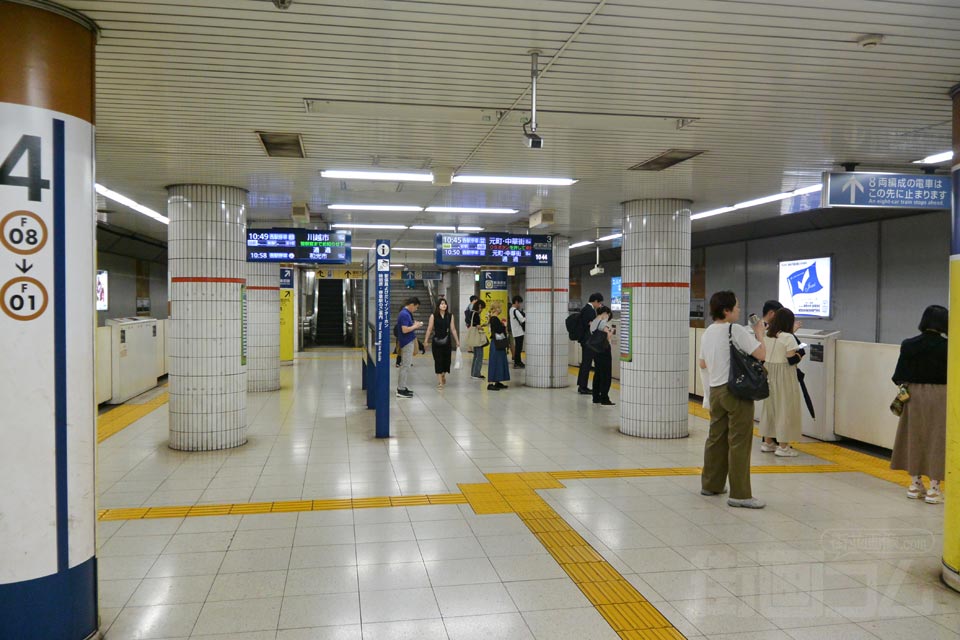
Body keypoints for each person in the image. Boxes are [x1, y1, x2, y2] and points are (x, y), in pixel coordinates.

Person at [699, 290, 767, 509]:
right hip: (735, 393)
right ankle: (740, 494)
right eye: (736, 307)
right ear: (726, 311)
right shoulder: (734, 329)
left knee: (716, 439)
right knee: (739, 442)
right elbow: (761, 355)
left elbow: (702, 363)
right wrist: (760, 334)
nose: (739, 310)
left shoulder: (708, 332)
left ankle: (711, 484)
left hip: (716, 391)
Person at [890, 305, 948, 504]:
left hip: (914, 395)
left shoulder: (909, 344)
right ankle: (934, 488)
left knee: (913, 437)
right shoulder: (949, 346)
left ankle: (915, 485)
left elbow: (898, 376)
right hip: (942, 395)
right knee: (937, 439)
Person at [759, 308, 803, 457]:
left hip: (769, 372)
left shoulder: (767, 334)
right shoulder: (788, 337)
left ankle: (768, 442)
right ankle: (783, 447)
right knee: (784, 407)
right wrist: (801, 353)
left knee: (770, 408)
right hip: (783, 374)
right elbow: (792, 360)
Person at [424, 298, 460, 389]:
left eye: (445, 304)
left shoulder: (450, 316)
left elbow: (453, 329)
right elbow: (429, 328)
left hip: (447, 342)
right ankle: (440, 382)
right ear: (438, 306)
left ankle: (443, 374)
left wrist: (457, 341)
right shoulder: (433, 316)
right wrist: (426, 340)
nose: (444, 305)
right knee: (438, 361)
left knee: (446, 361)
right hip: (436, 342)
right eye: (442, 304)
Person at [396, 297, 424, 398]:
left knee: (406, 365)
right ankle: (400, 389)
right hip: (406, 342)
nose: (416, 309)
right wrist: (415, 326)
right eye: (416, 307)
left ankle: (402, 387)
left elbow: (407, 326)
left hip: (408, 341)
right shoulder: (404, 314)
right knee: (405, 366)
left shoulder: (405, 313)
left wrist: (414, 324)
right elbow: (404, 330)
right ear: (412, 304)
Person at [577, 293, 604, 394]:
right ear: (596, 301)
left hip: (586, 341)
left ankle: (581, 385)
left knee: (585, 363)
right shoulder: (589, 310)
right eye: (600, 303)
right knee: (586, 364)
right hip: (588, 341)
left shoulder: (586, 309)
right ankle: (583, 387)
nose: (600, 305)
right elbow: (591, 324)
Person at [588, 305, 615, 406]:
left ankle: (596, 397)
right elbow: (607, 336)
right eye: (608, 315)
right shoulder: (602, 322)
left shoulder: (594, 322)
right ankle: (604, 398)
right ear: (605, 313)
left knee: (598, 373)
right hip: (604, 350)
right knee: (606, 374)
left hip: (595, 350)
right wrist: (611, 331)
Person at [486, 301, 510, 391]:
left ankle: (497, 381)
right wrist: (504, 325)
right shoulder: (494, 319)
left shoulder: (494, 318)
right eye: (499, 308)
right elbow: (499, 330)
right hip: (496, 344)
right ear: (496, 309)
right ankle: (491, 383)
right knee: (495, 362)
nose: (500, 309)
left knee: (499, 362)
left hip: (497, 343)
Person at [469, 299, 487, 380]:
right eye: (482, 308)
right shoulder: (476, 314)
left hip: (473, 337)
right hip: (477, 337)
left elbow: (474, 324)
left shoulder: (471, 312)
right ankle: (476, 374)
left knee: (476, 355)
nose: (482, 310)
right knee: (479, 355)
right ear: (479, 306)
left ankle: (473, 373)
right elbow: (478, 326)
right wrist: (483, 326)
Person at [510, 295, 526, 368]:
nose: (519, 305)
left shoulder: (511, 309)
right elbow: (522, 320)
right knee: (518, 348)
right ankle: (517, 362)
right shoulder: (515, 310)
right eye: (519, 303)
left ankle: (517, 362)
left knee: (517, 347)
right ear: (516, 302)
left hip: (515, 331)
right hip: (519, 331)